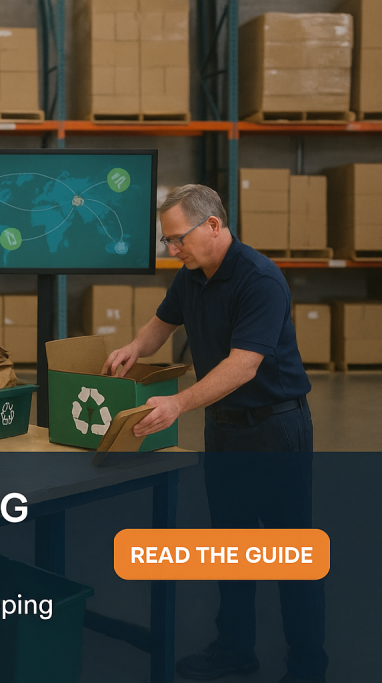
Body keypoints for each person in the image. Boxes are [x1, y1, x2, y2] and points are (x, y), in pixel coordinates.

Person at [102, 184, 325, 683]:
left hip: (274, 428)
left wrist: (178, 403)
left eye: (177, 239)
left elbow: (243, 367)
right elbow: (162, 323)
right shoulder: (192, 277)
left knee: (291, 554)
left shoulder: (259, 280)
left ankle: (309, 665)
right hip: (224, 431)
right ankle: (235, 648)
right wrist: (134, 347)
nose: (172, 249)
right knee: (231, 544)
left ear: (213, 225)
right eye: (167, 242)